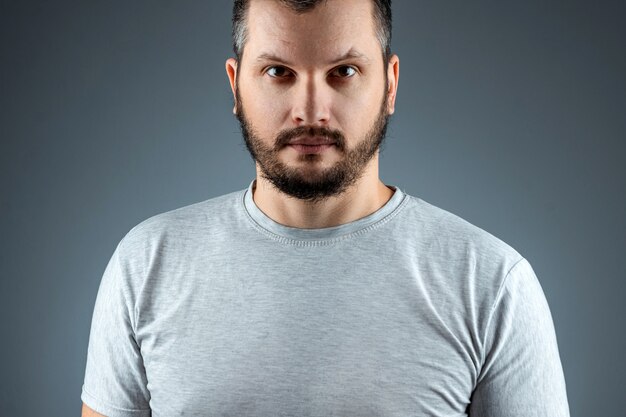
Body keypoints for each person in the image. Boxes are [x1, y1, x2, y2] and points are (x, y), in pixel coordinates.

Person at [81, 0, 570, 416]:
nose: (310, 110)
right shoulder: (145, 264)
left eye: (344, 72)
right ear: (235, 86)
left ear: (391, 84)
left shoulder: (492, 284)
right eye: (278, 72)